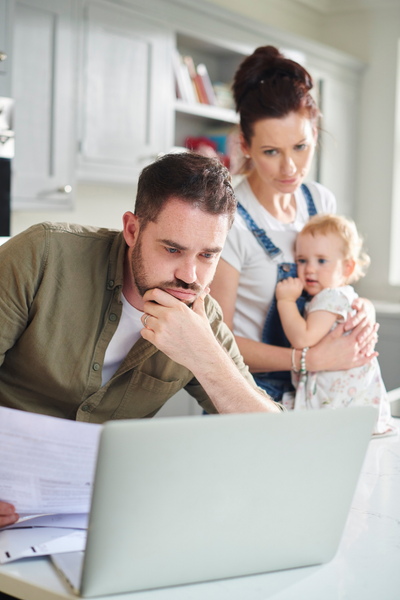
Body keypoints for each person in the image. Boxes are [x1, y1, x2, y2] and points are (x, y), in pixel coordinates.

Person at [0, 152, 282, 528]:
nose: (189, 275)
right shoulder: (43, 256)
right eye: (172, 249)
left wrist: (204, 356)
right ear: (132, 230)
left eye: (208, 255)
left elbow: (278, 443)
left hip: (96, 519)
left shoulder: (203, 319)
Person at [210, 45, 378, 405]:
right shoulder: (228, 219)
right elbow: (215, 338)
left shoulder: (320, 202)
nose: (290, 168)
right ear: (246, 145)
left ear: (315, 134)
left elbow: (337, 285)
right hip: (253, 391)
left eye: (300, 146)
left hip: (322, 389)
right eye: (272, 152)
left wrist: (362, 310)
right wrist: (306, 358)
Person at [276, 214, 394, 435]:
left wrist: (286, 301)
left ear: (347, 268)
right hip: (351, 395)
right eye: (302, 260)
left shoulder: (329, 297)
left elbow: (302, 338)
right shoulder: (343, 295)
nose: (309, 269)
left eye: (321, 260)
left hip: (336, 397)